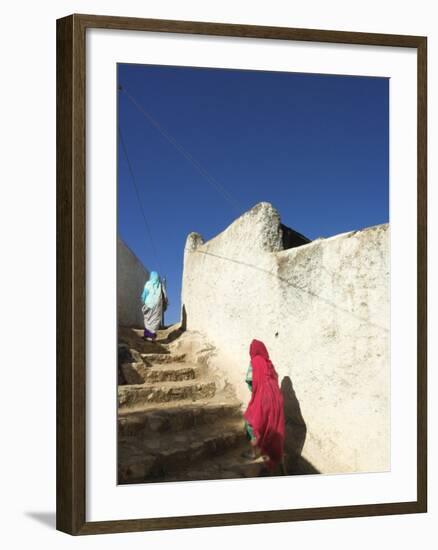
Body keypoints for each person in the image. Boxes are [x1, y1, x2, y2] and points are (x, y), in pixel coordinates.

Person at [243, 339, 285, 470]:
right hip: (277, 399)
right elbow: (275, 378)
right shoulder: (269, 363)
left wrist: (254, 392)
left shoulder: (255, 361)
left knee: (253, 424)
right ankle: (272, 454)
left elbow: (250, 380)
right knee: (272, 426)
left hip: (263, 398)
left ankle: (254, 451)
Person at [140, 271, 167, 341]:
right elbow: (165, 296)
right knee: (155, 320)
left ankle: (148, 335)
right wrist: (165, 303)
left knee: (148, 319)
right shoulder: (161, 285)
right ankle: (151, 336)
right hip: (157, 305)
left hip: (149, 304)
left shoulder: (148, 284)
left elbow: (144, 294)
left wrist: (142, 299)